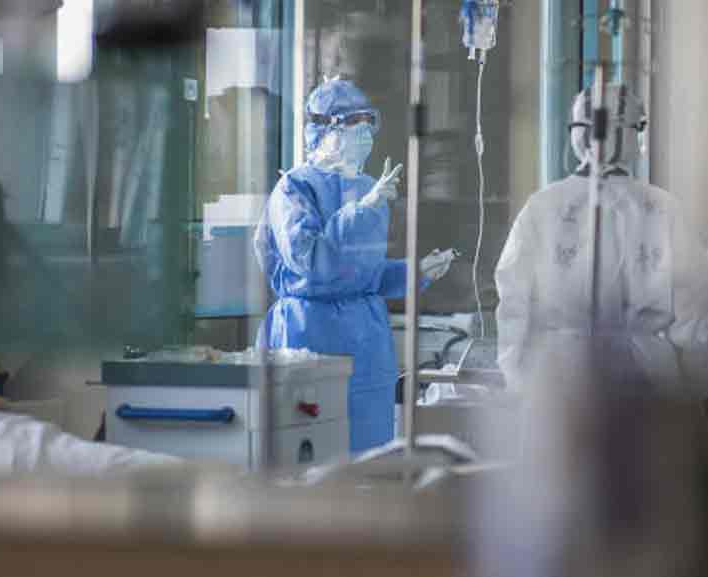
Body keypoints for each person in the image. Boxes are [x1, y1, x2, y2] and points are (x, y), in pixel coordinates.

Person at [255, 78, 452, 452]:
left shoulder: (367, 188)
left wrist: (415, 271)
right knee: (309, 451)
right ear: (323, 130)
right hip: (311, 335)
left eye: (367, 125)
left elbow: (363, 276)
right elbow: (313, 261)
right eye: (352, 125)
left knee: (371, 458)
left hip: (368, 344)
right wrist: (361, 211)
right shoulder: (295, 188)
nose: (364, 136)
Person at [495, 84, 708, 396]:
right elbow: (695, 310)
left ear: (576, 133)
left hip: (559, 382)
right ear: (634, 134)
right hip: (649, 382)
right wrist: (693, 387)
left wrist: (517, 379)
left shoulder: (542, 207)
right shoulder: (664, 209)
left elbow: (513, 303)